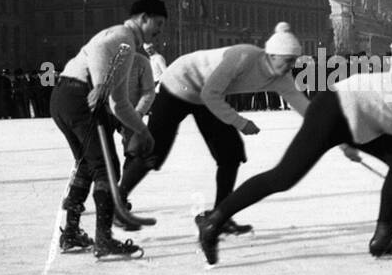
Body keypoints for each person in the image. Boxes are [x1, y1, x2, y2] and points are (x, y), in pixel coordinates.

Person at [196, 66, 392, 265]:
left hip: (343, 110)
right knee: (282, 177)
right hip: (338, 113)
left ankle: (385, 237)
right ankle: (213, 222)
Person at [119, 22, 309, 233]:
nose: (292, 65)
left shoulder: (281, 77)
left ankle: (219, 217)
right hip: (178, 83)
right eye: (288, 60)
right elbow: (211, 94)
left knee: (231, 154)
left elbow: (302, 105)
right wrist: (241, 122)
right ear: (272, 55)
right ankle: (116, 202)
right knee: (153, 151)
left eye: (294, 60)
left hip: (203, 95)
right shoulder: (243, 57)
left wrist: (331, 130)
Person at [50, 0, 164, 259]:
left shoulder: (124, 40)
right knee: (107, 167)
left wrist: (140, 128)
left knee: (88, 165)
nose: (159, 30)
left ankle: (71, 232)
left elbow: (119, 103)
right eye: (157, 23)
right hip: (81, 97)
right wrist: (101, 83)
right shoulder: (123, 37)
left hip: (63, 97)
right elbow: (102, 51)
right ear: (143, 18)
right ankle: (103, 240)